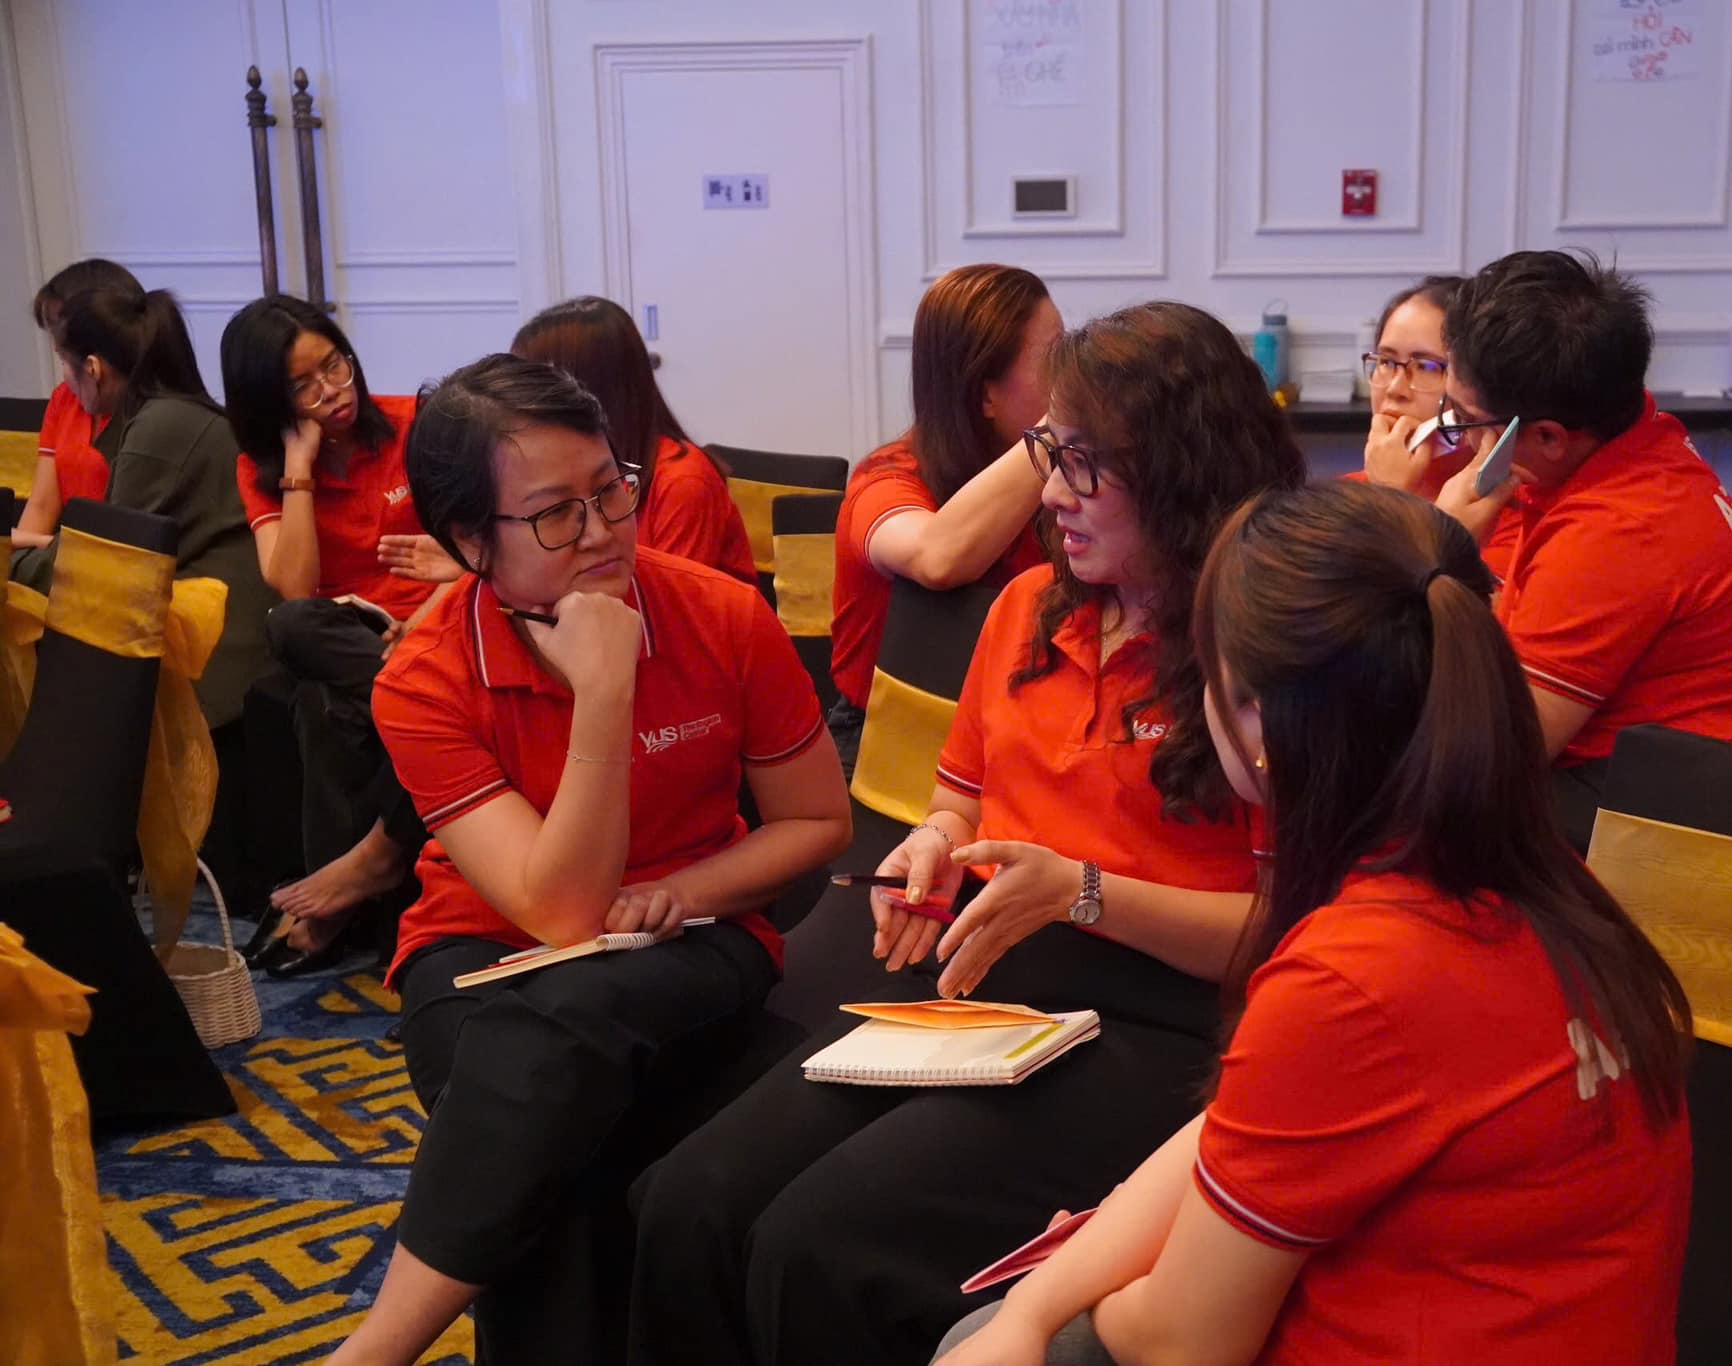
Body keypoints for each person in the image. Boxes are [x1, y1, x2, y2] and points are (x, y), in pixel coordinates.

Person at [626, 301, 1306, 1366]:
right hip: (990, 986)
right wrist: (934, 846)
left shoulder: (1256, 651)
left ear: (1182, 468)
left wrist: (1080, 892)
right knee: (688, 1199)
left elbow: (1289, 937)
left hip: (1166, 1022)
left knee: (819, 1246)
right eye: (1047, 452)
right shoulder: (1030, 606)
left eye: (1082, 463)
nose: (1051, 491)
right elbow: (960, 803)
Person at [933, 480, 1694, 1365]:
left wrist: (1056, 1310)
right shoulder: (1541, 877)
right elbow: (1240, 1129)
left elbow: (1181, 1343)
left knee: (984, 1336)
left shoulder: (1356, 974)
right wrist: (1039, 1304)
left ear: (1259, 718)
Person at [332, 354, 850, 1365]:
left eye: (612, 489)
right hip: (481, 952)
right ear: (469, 541)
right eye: (555, 515)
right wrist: (606, 692)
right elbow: (559, 914)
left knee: (539, 1094)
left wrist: (677, 891)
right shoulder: (426, 678)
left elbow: (815, 823)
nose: (605, 530)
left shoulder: (719, 612)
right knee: (557, 1152)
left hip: (691, 936)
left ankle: (375, 1349)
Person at [1435, 250, 1732, 849]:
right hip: (1655, 768)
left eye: (1466, 419)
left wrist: (1440, 554)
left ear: (1549, 437)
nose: (1460, 440)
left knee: (1394, 810)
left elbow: (1497, 758)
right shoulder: (1638, 430)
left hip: (1689, 826)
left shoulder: (1616, 531)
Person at [222, 295, 452, 975]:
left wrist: (423, 622)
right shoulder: (262, 467)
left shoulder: (416, 426)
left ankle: (334, 905)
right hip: (351, 638)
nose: (332, 391)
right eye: (304, 386)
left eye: (335, 365)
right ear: (271, 402)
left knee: (325, 706)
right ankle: (418, 706)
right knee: (292, 626)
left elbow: (476, 555)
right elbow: (295, 588)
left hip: (437, 625)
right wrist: (300, 467)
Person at [828, 263, 1060, 774]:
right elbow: (937, 558)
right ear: (984, 395)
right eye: (1055, 360)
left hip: (1011, 730)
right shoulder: (886, 478)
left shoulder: (1055, 481)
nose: (1070, 377)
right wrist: (1061, 425)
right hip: (887, 742)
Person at [10, 288, 274, 730]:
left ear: (92, 368)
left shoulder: (158, 427)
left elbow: (101, 561)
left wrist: (9, 559)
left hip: (220, 664)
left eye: (64, 362)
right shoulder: (167, 414)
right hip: (217, 640)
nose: (64, 379)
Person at [508, 295, 755, 584]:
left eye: (534, 391)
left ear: (583, 391)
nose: (521, 407)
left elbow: (671, 599)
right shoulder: (570, 476)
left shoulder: (682, 482)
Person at [11, 258, 141, 550]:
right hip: (64, 554)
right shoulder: (64, 399)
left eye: (61, 329)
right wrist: (18, 555)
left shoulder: (148, 409)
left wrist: (34, 543)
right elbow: (41, 506)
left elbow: (130, 540)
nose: (56, 345)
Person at [1353, 275, 1464, 499]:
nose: (1395, 389)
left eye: (1425, 367)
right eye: (1386, 362)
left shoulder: (1511, 506)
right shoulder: (1336, 501)